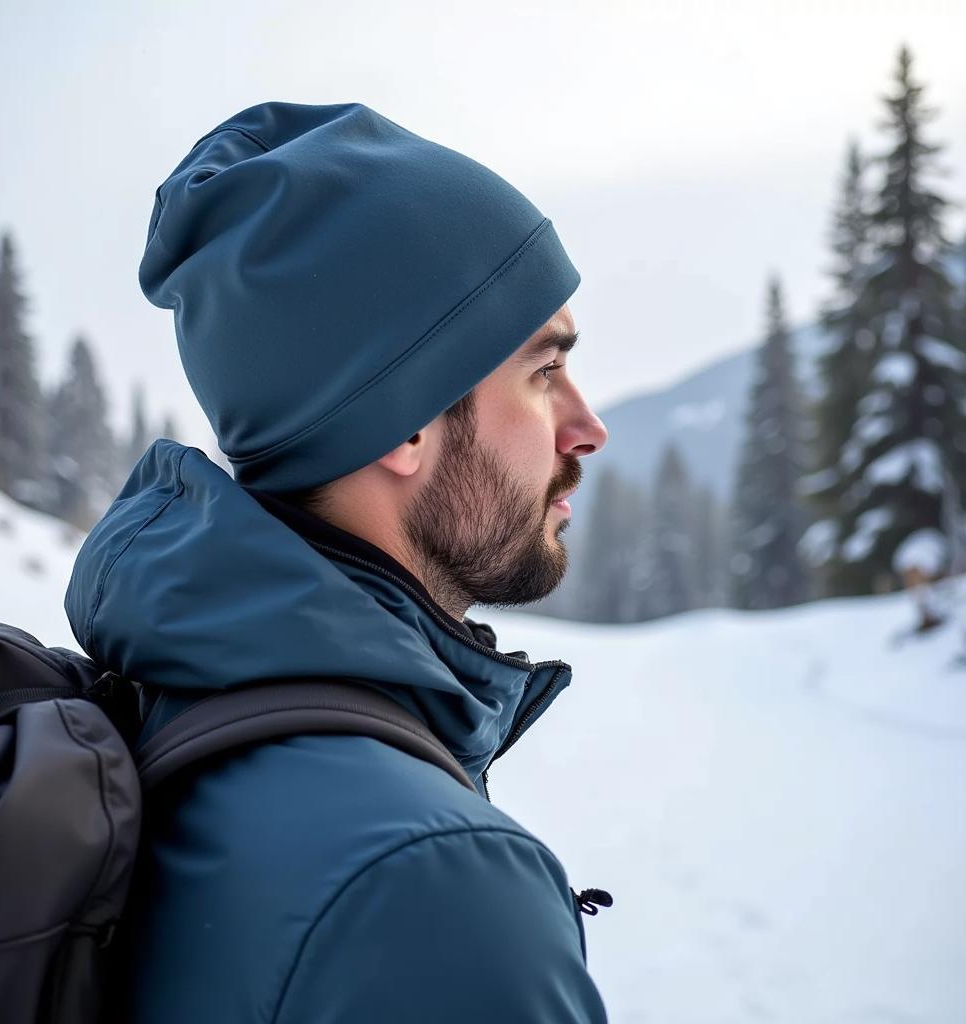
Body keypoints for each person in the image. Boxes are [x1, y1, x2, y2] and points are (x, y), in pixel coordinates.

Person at [65, 100, 610, 1023]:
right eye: (544, 371)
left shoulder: (170, 700)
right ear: (406, 419)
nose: (586, 428)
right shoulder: (433, 889)